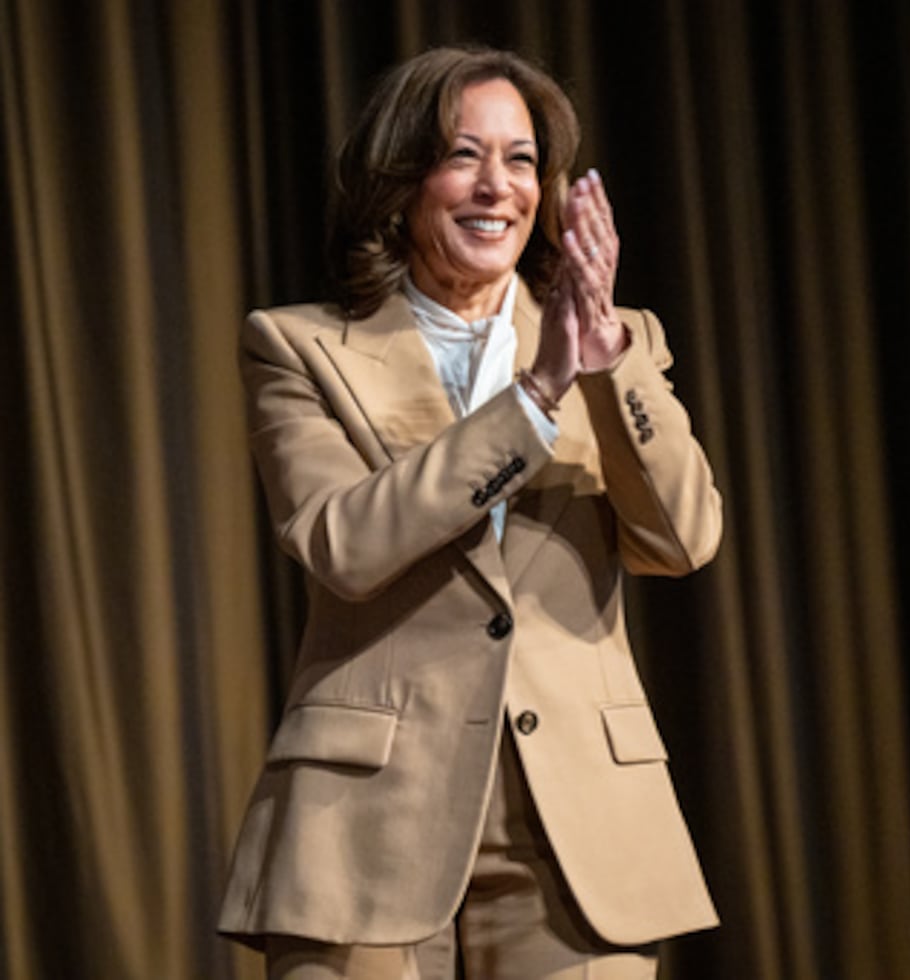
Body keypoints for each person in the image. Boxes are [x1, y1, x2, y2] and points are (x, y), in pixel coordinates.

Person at [219, 45, 723, 980]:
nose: (499, 186)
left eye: (522, 159)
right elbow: (345, 542)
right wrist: (535, 396)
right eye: (463, 155)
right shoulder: (299, 347)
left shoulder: (618, 344)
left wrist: (605, 358)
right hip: (366, 822)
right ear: (401, 180)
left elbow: (683, 540)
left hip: (577, 827)